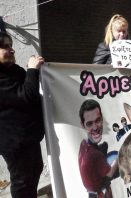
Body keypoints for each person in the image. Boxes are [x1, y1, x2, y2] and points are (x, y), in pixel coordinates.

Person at [0, 32, 45, 197]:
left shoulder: (14, 70)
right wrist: (32, 70)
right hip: (15, 143)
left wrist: (37, 71)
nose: (11, 50)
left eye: (11, 45)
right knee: (22, 182)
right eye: (4, 46)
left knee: (34, 173)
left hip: (29, 138)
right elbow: (26, 95)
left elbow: (31, 86)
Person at [78, 99, 118, 198]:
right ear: (82, 125)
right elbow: (109, 175)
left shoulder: (83, 144)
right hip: (100, 193)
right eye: (89, 124)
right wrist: (119, 159)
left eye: (98, 120)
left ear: (102, 119)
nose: (95, 127)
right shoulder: (95, 155)